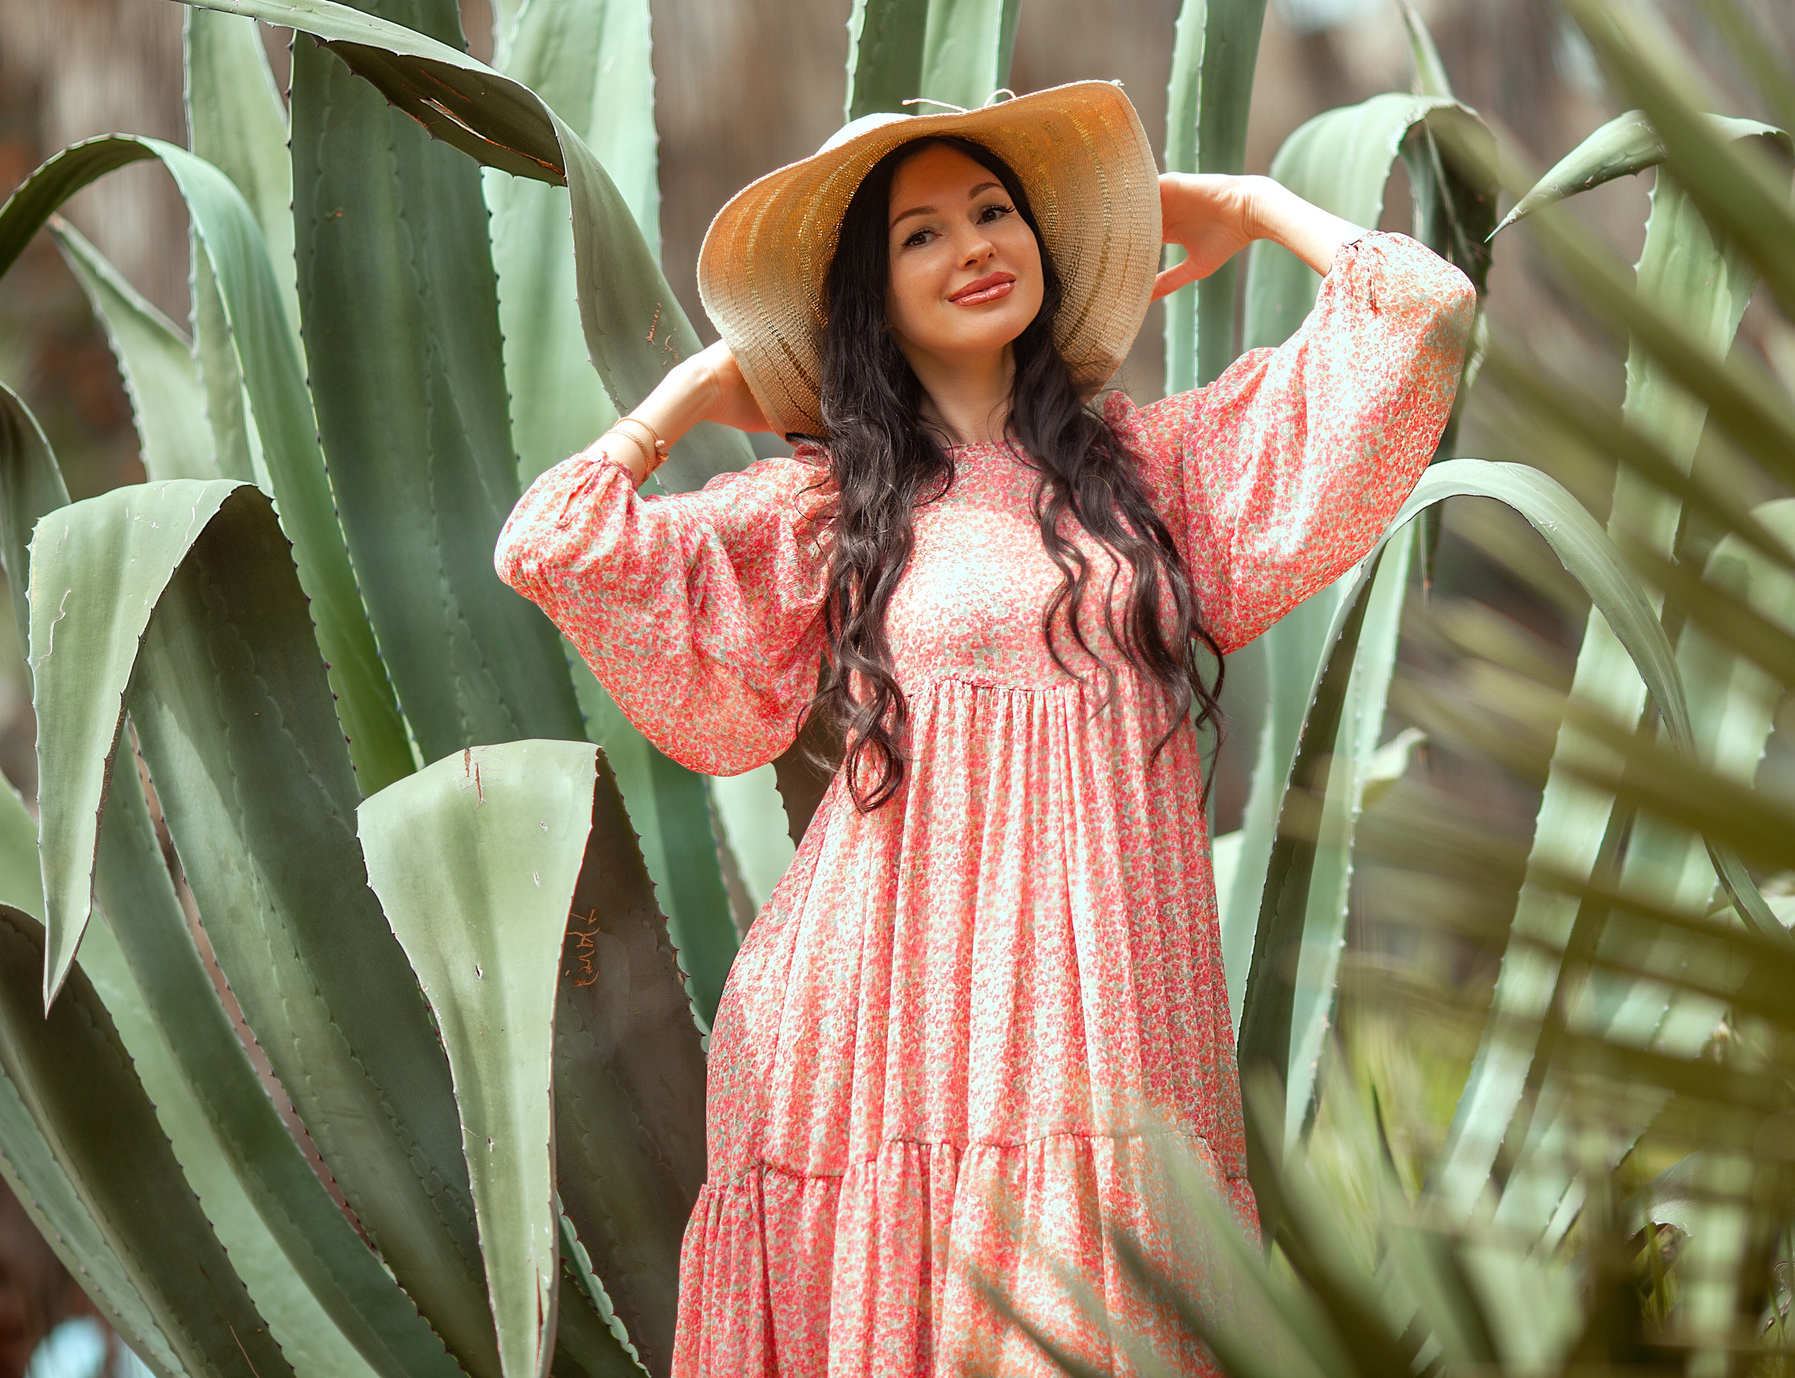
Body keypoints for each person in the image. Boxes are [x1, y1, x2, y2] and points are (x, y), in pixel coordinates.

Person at [494, 81, 1474, 1376]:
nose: (972, 249)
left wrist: (1242, 203)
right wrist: (692, 391)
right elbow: (552, 541)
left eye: (994, 211)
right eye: (922, 235)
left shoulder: (1155, 474)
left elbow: (1425, 310)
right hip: (882, 1020)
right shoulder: (828, 513)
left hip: (1113, 997)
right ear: (872, 297)